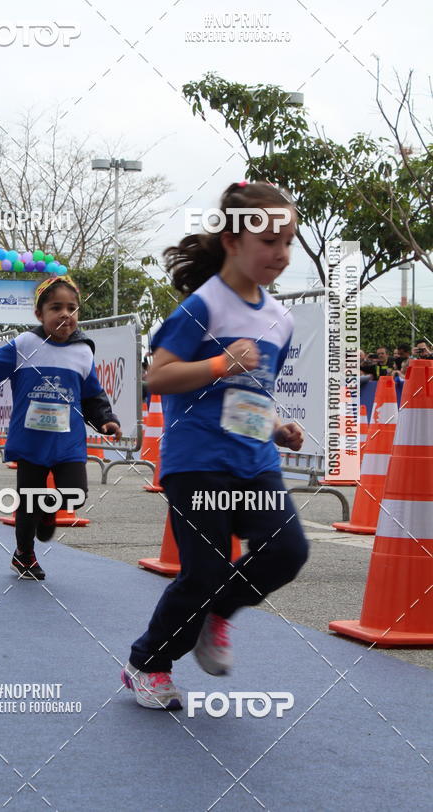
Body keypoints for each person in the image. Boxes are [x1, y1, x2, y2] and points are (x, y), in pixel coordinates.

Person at [122, 181, 309, 710]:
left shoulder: (282, 318)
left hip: (254, 461)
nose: (281, 253)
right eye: (270, 240)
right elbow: (156, 377)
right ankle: (147, 663)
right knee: (202, 571)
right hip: (197, 460)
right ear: (232, 240)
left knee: (287, 551)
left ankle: (217, 614)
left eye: (288, 241)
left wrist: (277, 426)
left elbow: (252, 391)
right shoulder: (203, 307)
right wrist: (220, 362)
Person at [0, 274, 121, 580]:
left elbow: (92, 393)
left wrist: (105, 418)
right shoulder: (25, 344)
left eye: (72, 308)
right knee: (28, 502)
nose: (66, 314)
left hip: (68, 441)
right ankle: (24, 554)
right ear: (39, 314)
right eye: (56, 308)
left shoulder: (83, 351)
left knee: (75, 493)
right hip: (31, 440)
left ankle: (48, 509)